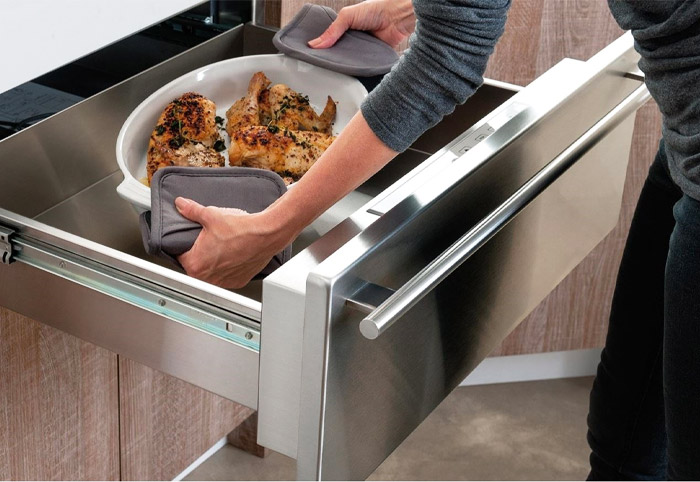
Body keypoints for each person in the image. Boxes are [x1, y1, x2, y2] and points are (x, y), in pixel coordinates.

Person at [175, 0, 700, 479]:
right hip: (686, 128)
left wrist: (269, 229)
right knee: (626, 434)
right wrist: (417, 11)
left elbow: (446, 59)